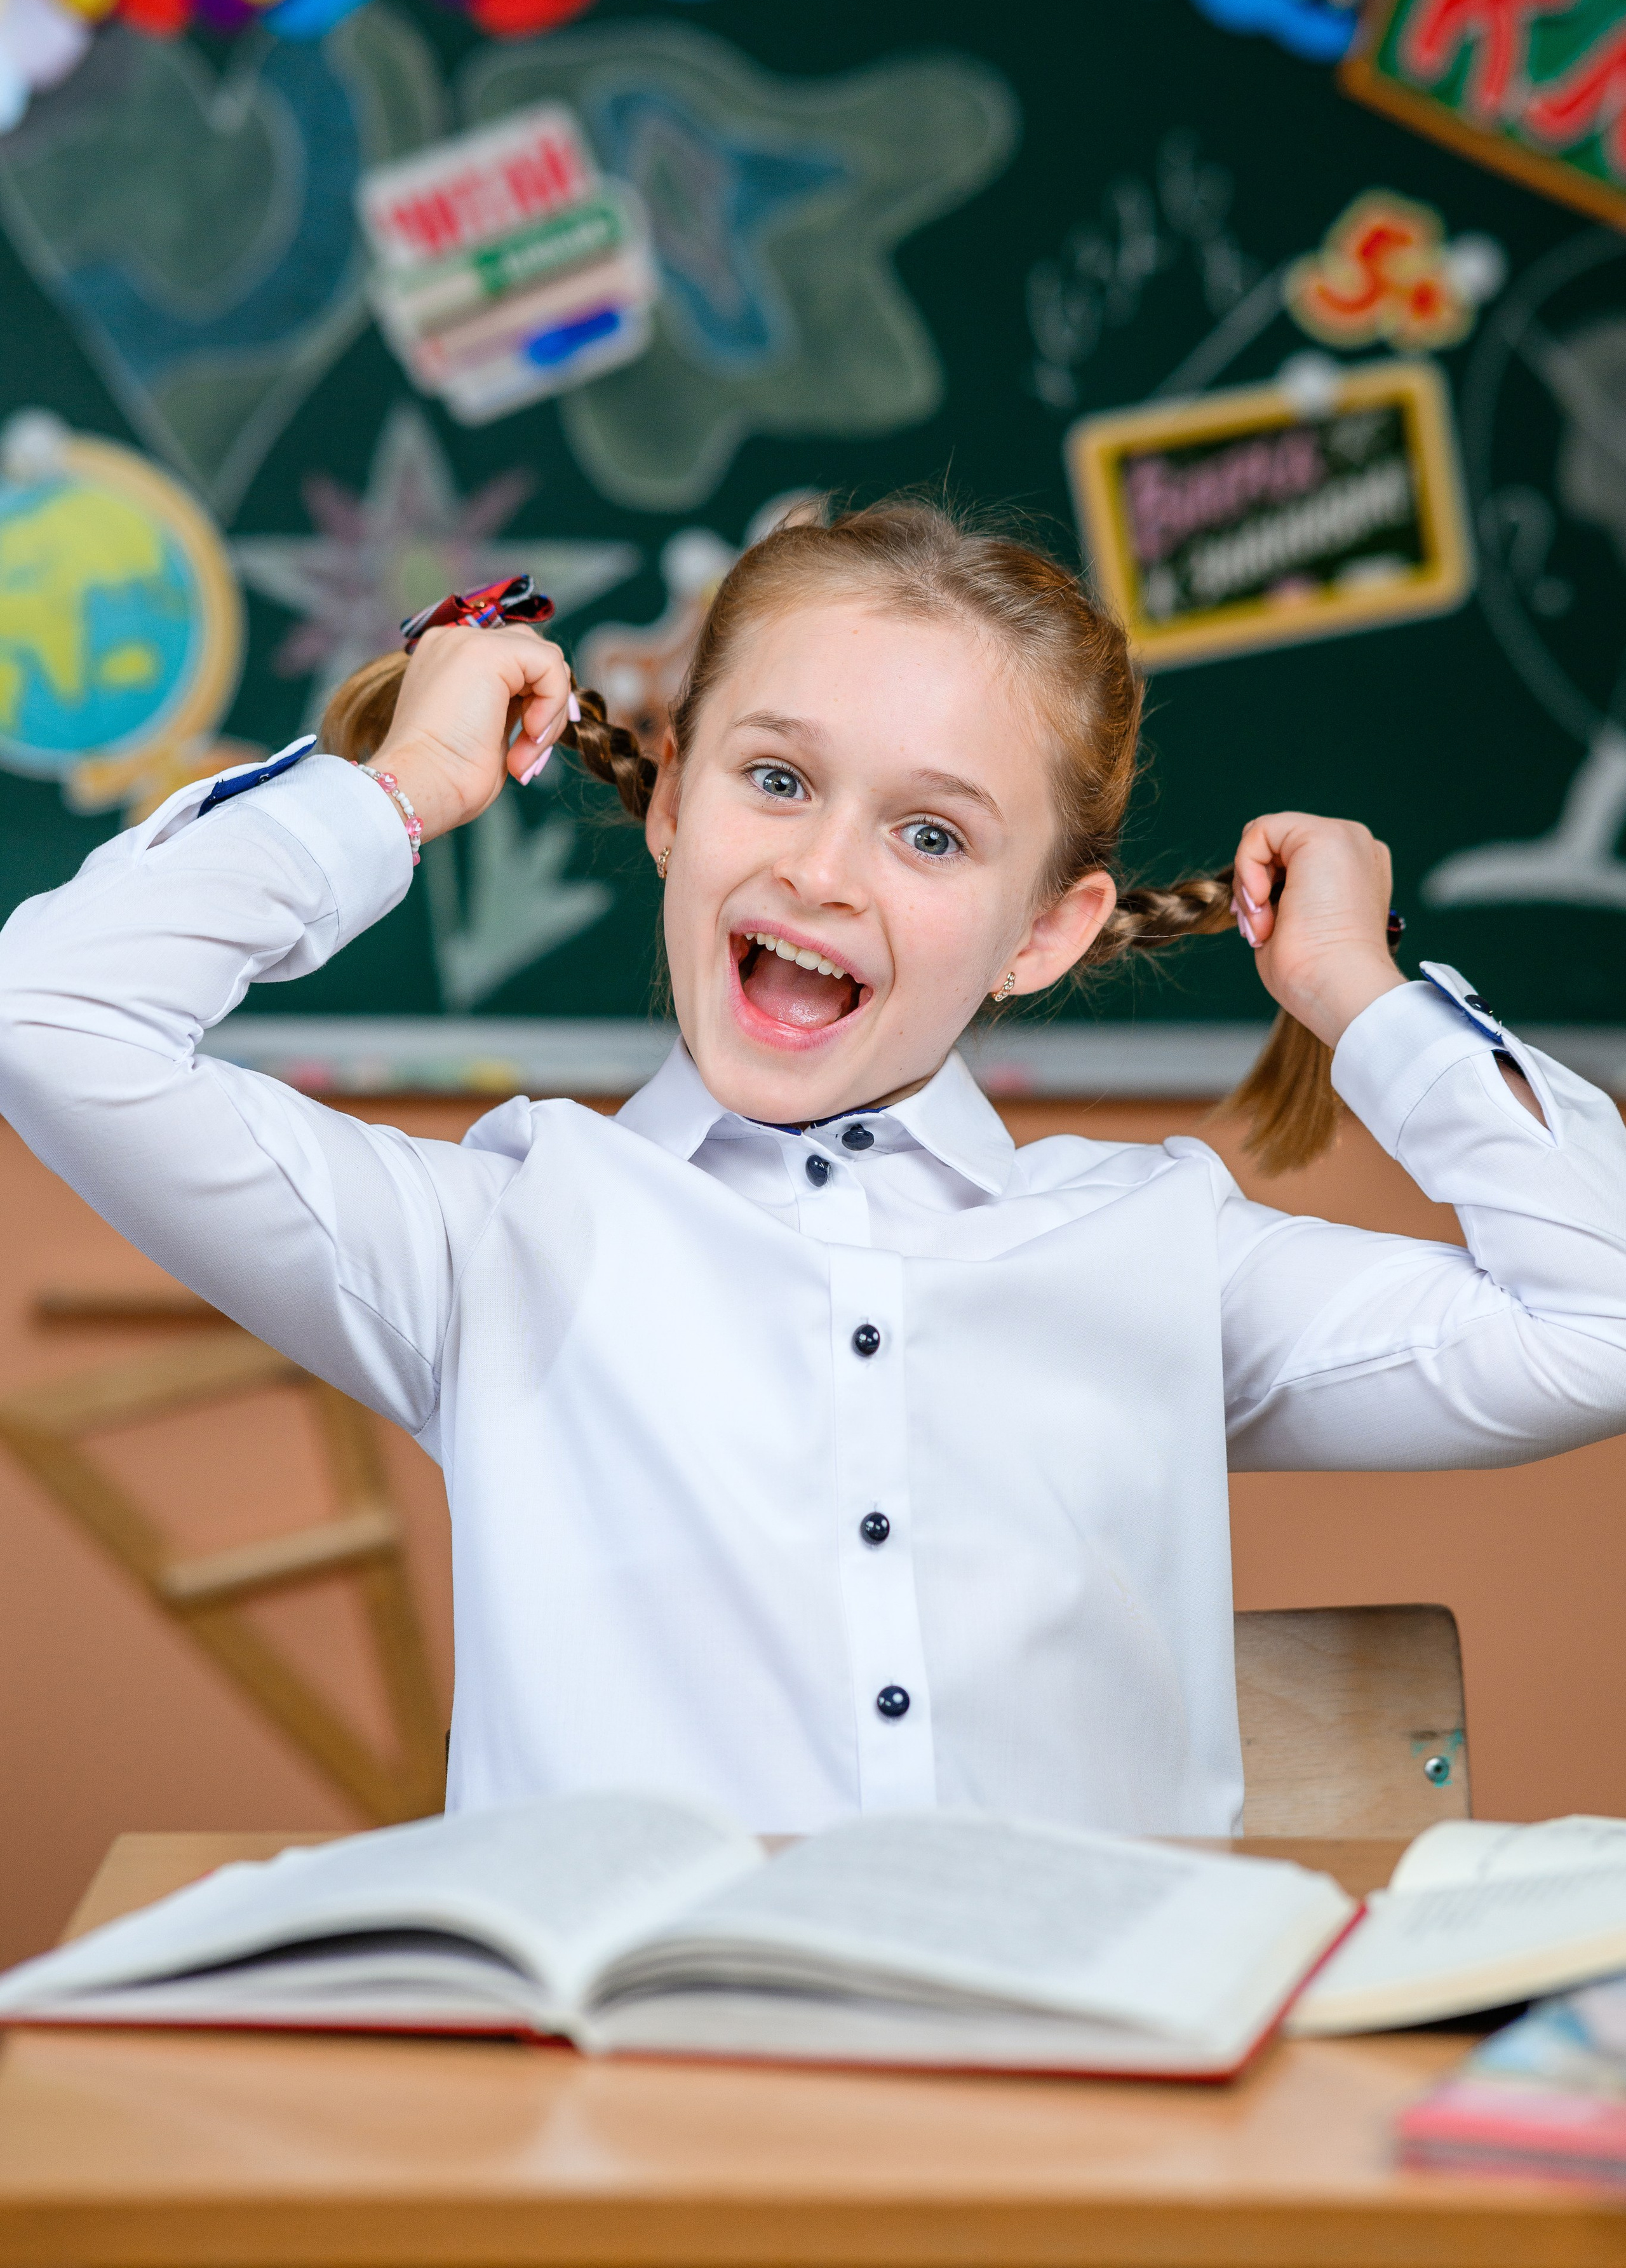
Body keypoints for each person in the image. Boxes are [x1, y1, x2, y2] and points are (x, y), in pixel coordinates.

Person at [1, 498, 1623, 1839]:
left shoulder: (1157, 1251)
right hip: (634, 2153)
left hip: (1078, 2149)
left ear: (1045, 933)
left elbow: (1595, 1322)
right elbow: (53, 1015)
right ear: (671, 804)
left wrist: (1360, 995)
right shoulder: (494, 1239)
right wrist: (402, 791)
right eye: (774, 780)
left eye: (932, 836)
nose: (821, 870)